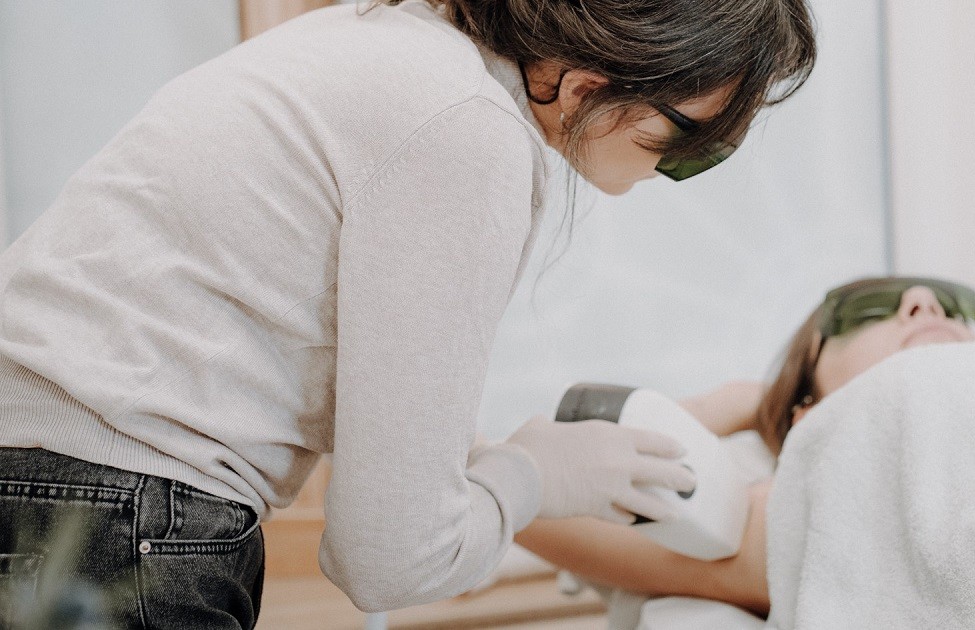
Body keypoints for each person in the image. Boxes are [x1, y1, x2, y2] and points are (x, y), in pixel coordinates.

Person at [0, 0, 818, 627]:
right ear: (588, 81)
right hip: (122, 514)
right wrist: (538, 474)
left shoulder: (388, 47)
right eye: (691, 137)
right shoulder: (466, 129)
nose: (681, 165)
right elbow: (387, 561)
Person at [516, 276, 975, 629]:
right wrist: (739, 404)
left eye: (961, 309)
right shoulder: (852, 461)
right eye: (863, 309)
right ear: (809, 413)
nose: (925, 302)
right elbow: (525, 500)